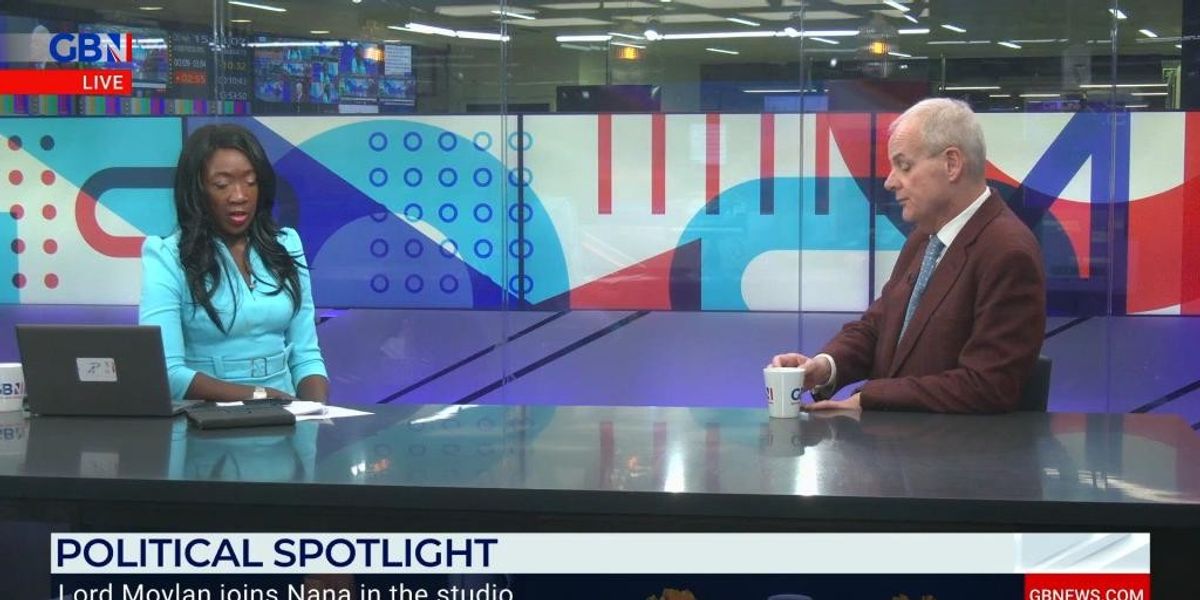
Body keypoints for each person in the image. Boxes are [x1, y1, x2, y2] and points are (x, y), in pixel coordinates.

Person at [771, 98, 1045, 413]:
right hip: (897, 442)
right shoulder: (923, 239)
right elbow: (878, 326)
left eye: (904, 166)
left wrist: (867, 399)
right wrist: (824, 367)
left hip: (956, 445)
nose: (890, 182)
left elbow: (987, 385)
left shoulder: (1007, 252)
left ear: (952, 164)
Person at [139, 123, 328, 403]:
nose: (239, 196)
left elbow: (306, 357)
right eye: (222, 185)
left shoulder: (286, 245)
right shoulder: (167, 256)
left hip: (285, 414)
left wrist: (315, 413)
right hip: (205, 419)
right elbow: (166, 373)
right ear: (197, 190)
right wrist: (261, 397)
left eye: (250, 182)